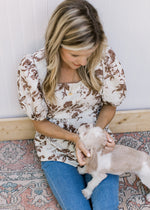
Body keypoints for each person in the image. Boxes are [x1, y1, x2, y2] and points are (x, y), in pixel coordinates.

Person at [17, 0, 127, 209]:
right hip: (56, 148)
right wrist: (75, 139)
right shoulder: (32, 69)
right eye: (76, 55)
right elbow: (39, 124)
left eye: (89, 54)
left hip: (96, 142)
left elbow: (110, 106)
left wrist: (97, 133)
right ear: (57, 43)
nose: (84, 62)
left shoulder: (104, 59)